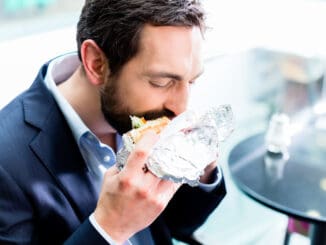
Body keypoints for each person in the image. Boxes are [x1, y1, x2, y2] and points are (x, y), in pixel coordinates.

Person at [0, 0, 226, 244]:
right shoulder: (6, 163)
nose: (181, 108)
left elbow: (178, 225)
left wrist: (202, 172)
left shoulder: (147, 114)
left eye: (191, 81)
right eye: (161, 82)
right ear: (97, 64)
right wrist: (109, 228)